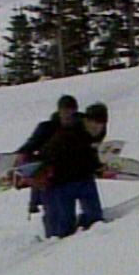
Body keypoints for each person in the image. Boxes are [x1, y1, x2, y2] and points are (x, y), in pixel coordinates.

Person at [31, 102, 109, 238]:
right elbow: (46, 157)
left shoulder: (98, 134)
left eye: (100, 125)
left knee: (95, 220)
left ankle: (84, 227)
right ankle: (51, 235)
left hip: (83, 178)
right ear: (86, 120)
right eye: (93, 124)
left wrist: (97, 166)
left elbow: (90, 154)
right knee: (61, 231)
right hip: (59, 182)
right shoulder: (68, 135)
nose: (96, 128)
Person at [15, 95, 80, 215]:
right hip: (49, 168)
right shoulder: (47, 127)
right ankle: (36, 203)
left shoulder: (81, 126)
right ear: (59, 111)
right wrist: (22, 152)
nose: (67, 114)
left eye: (71, 110)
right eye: (64, 110)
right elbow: (33, 142)